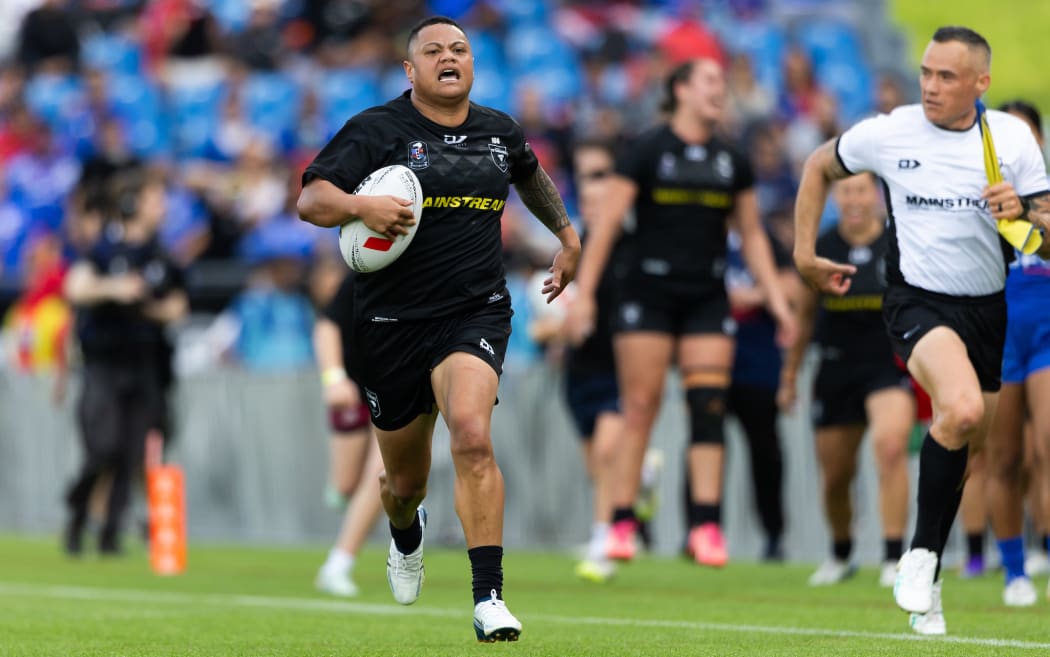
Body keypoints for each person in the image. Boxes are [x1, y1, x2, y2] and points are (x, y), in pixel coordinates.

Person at [296, 16, 581, 642]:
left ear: (472, 63)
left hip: (473, 312)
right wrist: (359, 206)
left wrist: (566, 234)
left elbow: (529, 174)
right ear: (411, 69)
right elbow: (311, 201)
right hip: (390, 324)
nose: (449, 58)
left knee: (475, 437)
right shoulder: (377, 130)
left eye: (460, 49)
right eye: (434, 51)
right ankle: (405, 530)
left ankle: (489, 599)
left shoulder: (499, 132)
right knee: (403, 483)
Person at [793, 26, 1050, 635]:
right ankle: (919, 556)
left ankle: (926, 573)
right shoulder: (891, 131)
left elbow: (1045, 228)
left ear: (980, 84)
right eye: (927, 73)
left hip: (988, 309)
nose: (931, 86)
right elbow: (815, 165)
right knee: (959, 412)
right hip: (914, 303)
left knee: (965, 443)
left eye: (947, 77)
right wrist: (804, 253)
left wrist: (1023, 210)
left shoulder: (1011, 138)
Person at [566, 58, 795, 568]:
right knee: (641, 406)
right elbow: (605, 228)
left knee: (708, 405)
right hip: (647, 294)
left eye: (722, 82)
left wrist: (779, 304)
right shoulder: (647, 149)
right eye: (711, 81)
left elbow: (753, 235)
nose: (721, 90)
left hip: (707, 295)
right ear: (682, 90)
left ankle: (706, 525)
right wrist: (584, 293)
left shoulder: (731, 158)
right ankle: (623, 520)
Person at [779, 172, 914, 588]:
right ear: (836, 198)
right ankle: (840, 553)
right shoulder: (821, 248)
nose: (854, 199)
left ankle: (894, 557)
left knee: (891, 449)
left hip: (887, 367)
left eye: (860, 190)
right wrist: (789, 376)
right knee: (836, 476)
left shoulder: (899, 244)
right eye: (845, 192)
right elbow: (802, 318)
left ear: (875, 195)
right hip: (835, 369)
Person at [63, 169, 188, 555]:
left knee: (134, 449)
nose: (162, 207)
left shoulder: (162, 256)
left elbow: (177, 308)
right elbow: (76, 287)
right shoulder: (104, 251)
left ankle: (110, 532)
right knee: (103, 446)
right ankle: (79, 506)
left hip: (146, 363)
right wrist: (115, 289)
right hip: (103, 363)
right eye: (154, 199)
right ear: (132, 204)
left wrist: (146, 305)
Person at [984, 99, 1050, 606]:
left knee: (1048, 443)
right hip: (998, 335)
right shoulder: (977, 198)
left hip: (1047, 332)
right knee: (1004, 457)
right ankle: (1013, 572)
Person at [313, 270, 386, 597]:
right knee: (345, 485)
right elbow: (327, 324)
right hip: (353, 386)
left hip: (398, 386)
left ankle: (338, 563)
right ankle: (353, 502)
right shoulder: (369, 265)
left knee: (383, 473)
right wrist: (333, 378)